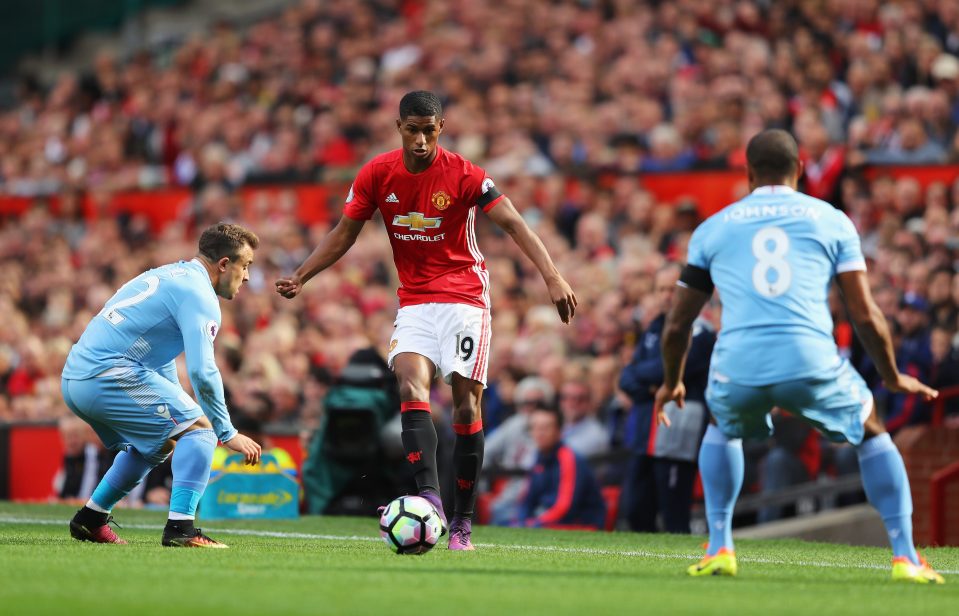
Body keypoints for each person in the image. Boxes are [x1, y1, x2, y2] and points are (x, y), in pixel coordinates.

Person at [275, 91, 577, 550]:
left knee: (464, 408)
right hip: (415, 300)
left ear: (442, 127)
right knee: (410, 386)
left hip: (464, 298)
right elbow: (345, 231)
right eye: (412, 130)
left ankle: (461, 522)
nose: (420, 140)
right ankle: (430, 500)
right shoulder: (377, 173)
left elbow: (514, 223)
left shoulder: (464, 174)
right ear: (399, 127)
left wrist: (553, 276)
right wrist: (302, 275)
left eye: (429, 130)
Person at [655, 129, 944, 583]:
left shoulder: (713, 228)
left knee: (721, 424)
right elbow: (865, 315)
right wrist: (891, 377)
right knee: (871, 429)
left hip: (739, 364)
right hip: (810, 358)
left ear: (748, 173)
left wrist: (671, 380)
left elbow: (676, 326)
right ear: (802, 170)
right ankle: (905, 556)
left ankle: (720, 547)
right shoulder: (832, 220)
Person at [61, 222, 263, 548]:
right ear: (225, 264)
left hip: (78, 376)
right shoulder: (200, 295)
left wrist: (179, 407)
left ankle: (90, 519)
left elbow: (158, 351)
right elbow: (203, 372)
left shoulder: (168, 275)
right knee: (201, 429)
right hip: (107, 375)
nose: (248, 276)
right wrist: (227, 432)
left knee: (158, 444)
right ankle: (181, 530)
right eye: (246, 265)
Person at [619, 263, 715, 533]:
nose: (665, 296)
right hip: (644, 433)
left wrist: (647, 376)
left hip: (676, 433)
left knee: (674, 513)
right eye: (660, 289)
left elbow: (673, 365)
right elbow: (626, 378)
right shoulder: (652, 329)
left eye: (671, 289)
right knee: (637, 510)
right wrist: (653, 384)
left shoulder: (701, 331)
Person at [521, 406, 607, 530]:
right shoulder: (538, 457)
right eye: (535, 427)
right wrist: (523, 521)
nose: (539, 432)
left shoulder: (569, 458)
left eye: (546, 427)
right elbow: (527, 500)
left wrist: (535, 523)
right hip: (547, 521)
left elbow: (566, 507)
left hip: (580, 524)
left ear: (559, 431)